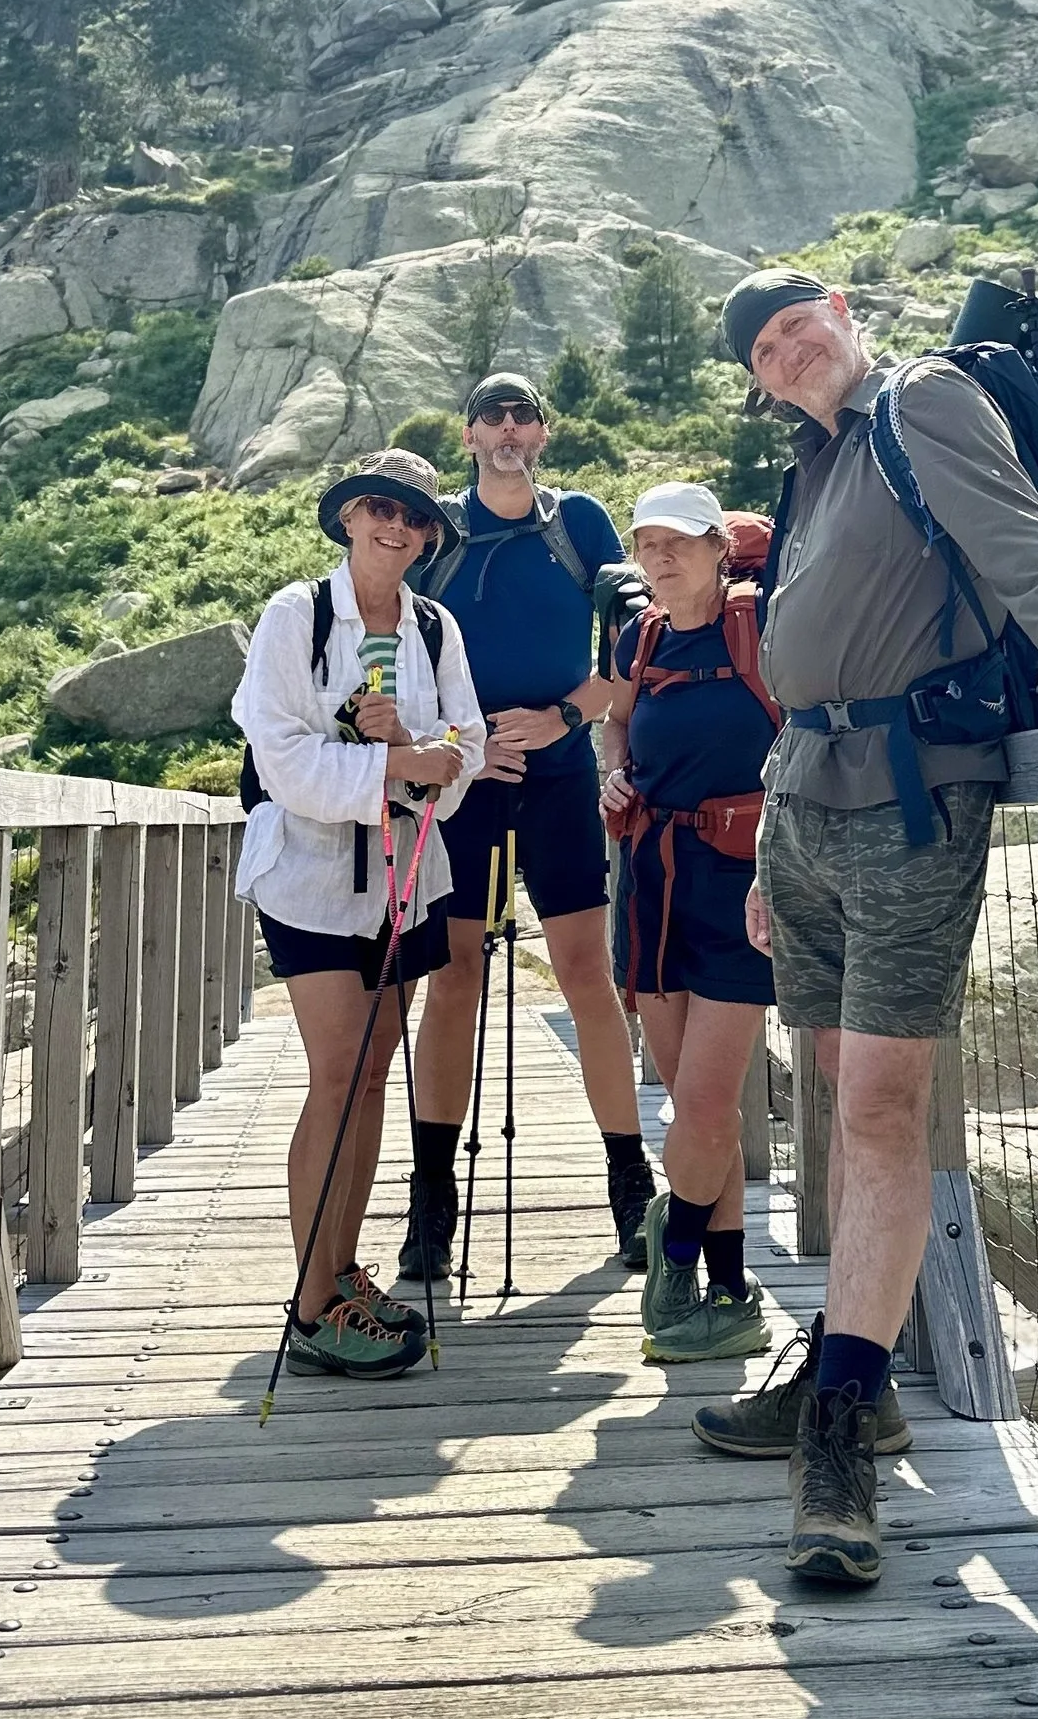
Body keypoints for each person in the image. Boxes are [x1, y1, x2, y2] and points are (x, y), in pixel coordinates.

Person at [697, 269, 1038, 1587]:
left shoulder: (922, 400)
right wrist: (772, 829)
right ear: (758, 379)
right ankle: (851, 1364)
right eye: (765, 348)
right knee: (836, 1105)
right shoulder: (819, 464)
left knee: (876, 1107)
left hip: (912, 803)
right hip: (803, 801)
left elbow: (1023, 544)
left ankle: (844, 1429)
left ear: (843, 311)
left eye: (799, 325)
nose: (789, 351)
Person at [234, 448, 486, 1379]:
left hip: (402, 875)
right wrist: (395, 764)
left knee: (377, 1066)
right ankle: (309, 1305)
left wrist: (423, 751)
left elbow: (469, 737)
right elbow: (283, 759)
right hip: (307, 876)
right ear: (349, 518)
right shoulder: (293, 617)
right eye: (380, 507)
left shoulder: (433, 625)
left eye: (415, 517)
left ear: (427, 535)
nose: (396, 526)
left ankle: (339, 1270)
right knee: (340, 1069)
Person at [401, 372, 651, 1276]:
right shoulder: (438, 529)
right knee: (454, 978)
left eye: (524, 414)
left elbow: (630, 652)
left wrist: (561, 720)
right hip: (463, 784)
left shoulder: (580, 522)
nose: (509, 428)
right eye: (493, 415)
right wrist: (463, 744)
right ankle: (431, 1201)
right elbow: (402, 653)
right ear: (468, 432)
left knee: (588, 973)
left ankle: (631, 1185)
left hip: (555, 775)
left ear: (543, 431)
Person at [601, 481, 779, 1363]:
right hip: (653, 882)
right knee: (695, 1114)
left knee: (705, 1103)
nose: (660, 559)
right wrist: (614, 770)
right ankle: (735, 1292)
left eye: (677, 542)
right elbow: (618, 723)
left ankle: (673, 1265)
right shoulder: (640, 639)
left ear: (717, 546)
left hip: (745, 888)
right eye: (646, 544)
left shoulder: (765, 628)